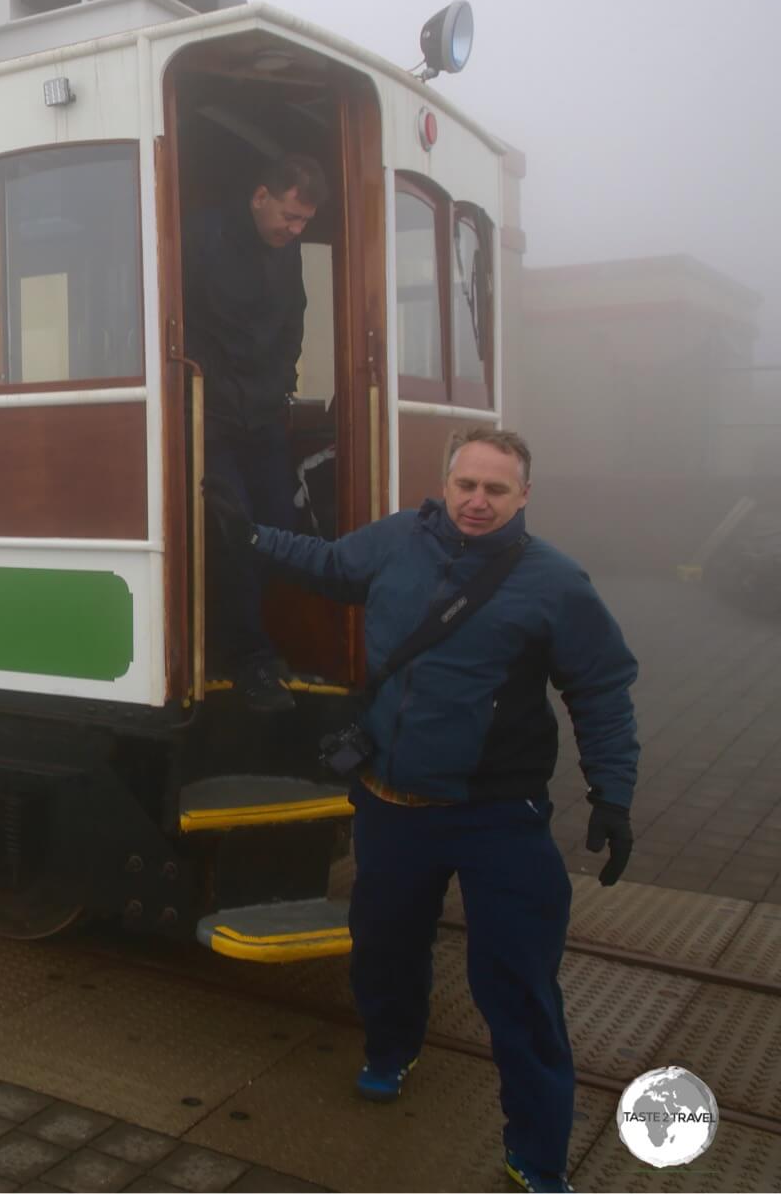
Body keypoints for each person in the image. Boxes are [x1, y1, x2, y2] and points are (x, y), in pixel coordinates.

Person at [208, 427, 637, 1194]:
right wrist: (248, 536)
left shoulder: (557, 583)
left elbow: (600, 690)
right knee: (384, 946)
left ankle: (536, 1155)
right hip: (392, 804)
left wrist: (614, 794)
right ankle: (390, 1049)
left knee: (520, 988)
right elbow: (331, 565)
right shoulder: (398, 538)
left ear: (524, 496)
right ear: (447, 484)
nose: (477, 501)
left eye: (496, 490)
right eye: (466, 485)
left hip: (500, 816)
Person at [184, 151, 327, 712]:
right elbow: (175, 315)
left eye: (303, 225)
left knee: (279, 527)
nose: (293, 231)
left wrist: (281, 381)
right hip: (210, 413)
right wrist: (204, 386)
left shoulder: (285, 251)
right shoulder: (200, 236)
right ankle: (247, 660)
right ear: (259, 195)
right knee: (233, 530)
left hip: (262, 412)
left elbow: (293, 319)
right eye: (289, 217)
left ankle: (262, 645)